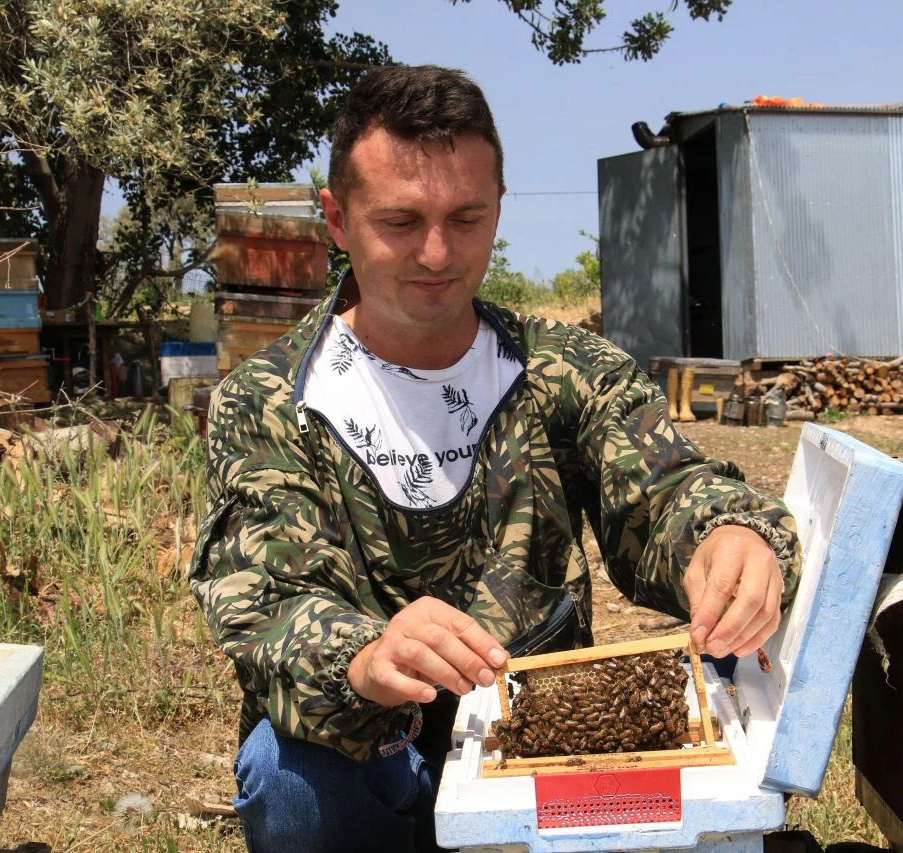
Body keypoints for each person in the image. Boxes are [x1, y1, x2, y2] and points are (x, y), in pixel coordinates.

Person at [190, 64, 799, 853]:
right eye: (401, 222)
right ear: (337, 219)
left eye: (467, 217)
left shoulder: (564, 370)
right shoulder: (270, 398)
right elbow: (263, 598)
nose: (438, 252)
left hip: (543, 732)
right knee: (292, 783)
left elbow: (667, 490)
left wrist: (727, 537)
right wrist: (365, 655)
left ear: (500, 209)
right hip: (365, 741)